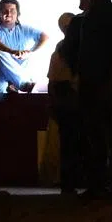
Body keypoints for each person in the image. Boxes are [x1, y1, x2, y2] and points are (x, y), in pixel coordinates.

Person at [63, 0, 112, 199]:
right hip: (97, 82)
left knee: (101, 135)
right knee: (102, 135)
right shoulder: (106, 14)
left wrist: (109, 84)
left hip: (99, 82)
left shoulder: (102, 15)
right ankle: (108, 183)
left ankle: (105, 183)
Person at [0, 0, 47, 104]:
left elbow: (44, 36)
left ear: (18, 14)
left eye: (12, 11)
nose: (8, 14)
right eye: (4, 11)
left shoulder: (24, 29)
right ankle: (22, 84)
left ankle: (17, 84)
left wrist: (30, 52)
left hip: (17, 87)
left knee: (28, 53)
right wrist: (11, 51)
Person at [47, 13, 80, 194]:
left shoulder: (62, 48)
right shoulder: (83, 46)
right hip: (76, 100)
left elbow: (54, 78)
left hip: (66, 102)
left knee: (68, 143)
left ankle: (68, 182)